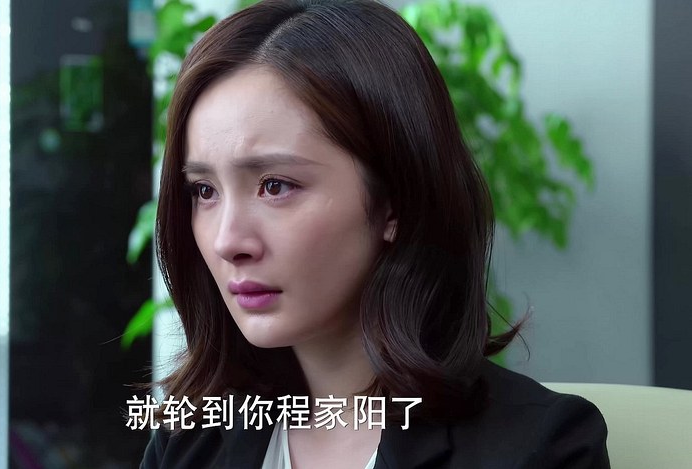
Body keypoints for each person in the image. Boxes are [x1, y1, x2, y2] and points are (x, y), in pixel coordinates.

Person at [140, 0, 610, 467]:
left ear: (395, 202)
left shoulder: (542, 447)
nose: (227, 241)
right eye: (204, 190)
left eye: (275, 186)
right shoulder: (187, 444)